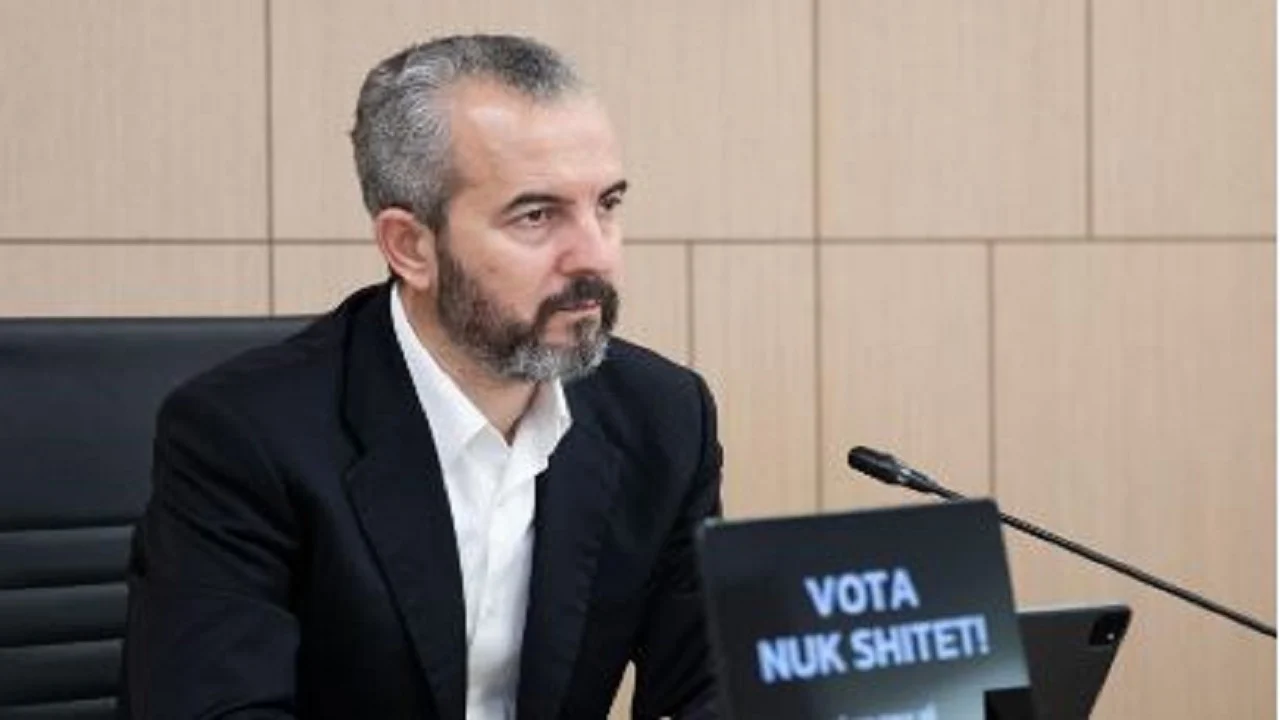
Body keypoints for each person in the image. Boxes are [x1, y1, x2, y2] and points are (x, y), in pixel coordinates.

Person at [120, 35, 722, 719]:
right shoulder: (244, 436)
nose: (594, 256)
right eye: (536, 216)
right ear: (411, 247)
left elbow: (713, 686)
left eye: (606, 205)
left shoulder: (664, 417)